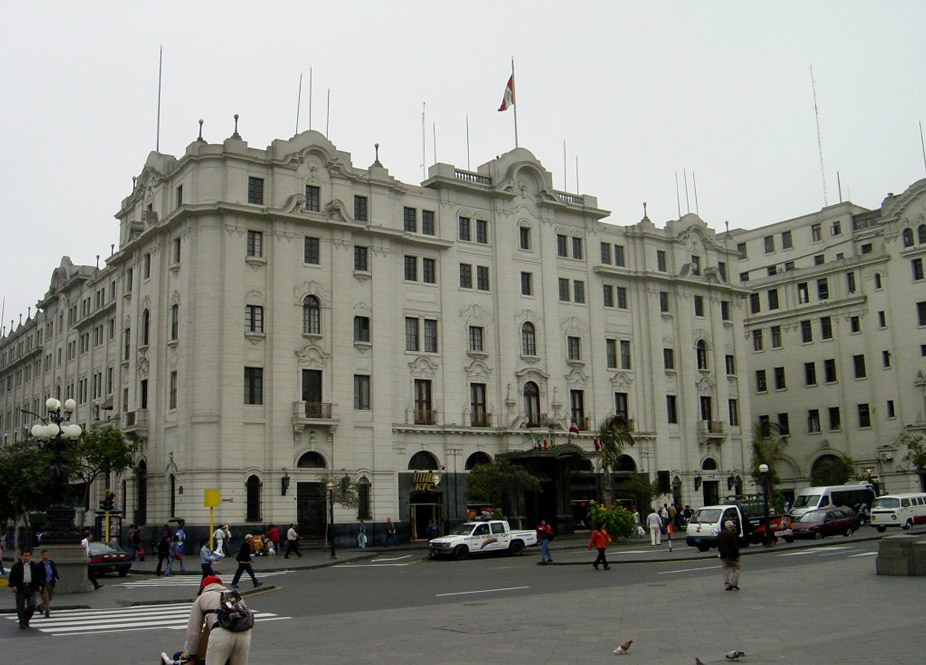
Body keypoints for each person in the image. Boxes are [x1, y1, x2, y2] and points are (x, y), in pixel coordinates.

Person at [185, 575, 252, 665]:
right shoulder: (233, 595)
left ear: (204, 587)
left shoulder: (203, 597)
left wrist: (192, 655)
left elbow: (194, 631)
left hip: (221, 632)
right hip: (244, 633)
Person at [9, 549, 45, 628]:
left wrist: (39, 585)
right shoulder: (17, 566)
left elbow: (38, 576)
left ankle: (26, 618)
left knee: (32, 604)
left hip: (31, 587)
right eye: (25, 556)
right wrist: (13, 585)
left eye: (28, 556)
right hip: (20, 588)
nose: (27, 557)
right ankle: (22, 621)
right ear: (22, 556)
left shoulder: (33, 565)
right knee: (20, 605)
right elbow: (12, 577)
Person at [718, 520, 741, 591]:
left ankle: (727, 584)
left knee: (725, 569)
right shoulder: (732, 534)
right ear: (731, 526)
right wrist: (737, 555)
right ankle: (734, 583)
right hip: (731, 555)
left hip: (723, 554)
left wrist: (721, 552)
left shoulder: (720, 533)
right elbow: (734, 546)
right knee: (736, 569)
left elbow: (718, 544)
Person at [38, 549, 58, 618]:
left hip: (51, 582)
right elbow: (39, 575)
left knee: (49, 597)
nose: (46, 556)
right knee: (45, 598)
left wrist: (56, 577)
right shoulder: (40, 565)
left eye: (47, 554)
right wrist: (39, 584)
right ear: (41, 556)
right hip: (44, 583)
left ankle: (41, 607)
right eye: (44, 555)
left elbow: (54, 570)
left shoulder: (51, 563)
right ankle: (47, 612)